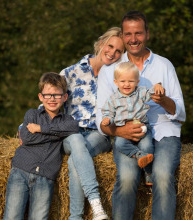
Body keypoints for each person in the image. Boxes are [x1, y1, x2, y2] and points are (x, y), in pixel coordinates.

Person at [96, 11, 186, 219]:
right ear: (123, 35)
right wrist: (120, 131)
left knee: (163, 177)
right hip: (128, 133)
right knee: (127, 179)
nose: (133, 39)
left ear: (147, 33)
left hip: (164, 131)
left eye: (138, 33)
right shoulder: (110, 71)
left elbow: (180, 112)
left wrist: (163, 100)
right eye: (128, 34)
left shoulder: (164, 65)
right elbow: (100, 117)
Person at [59, 27, 125, 220]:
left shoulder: (117, 78)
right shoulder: (71, 73)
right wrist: (26, 126)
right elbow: (49, 100)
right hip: (71, 132)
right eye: (110, 46)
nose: (112, 53)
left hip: (99, 134)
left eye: (119, 51)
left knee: (75, 158)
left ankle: (76, 217)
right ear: (101, 43)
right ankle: (96, 204)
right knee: (77, 144)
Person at [3, 72, 79, 220]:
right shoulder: (32, 114)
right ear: (40, 97)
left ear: (64, 97)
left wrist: (40, 129)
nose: (52, 99)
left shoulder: (67, 120)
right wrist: (58, 133)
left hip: (45, 177)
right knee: (12, 216)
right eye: (48, 95)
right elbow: (27, 137)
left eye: (57, 95)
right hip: (21, 171)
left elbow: (74, 128)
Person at [101, 62, 164, 185]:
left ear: (137, 81)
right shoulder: (113, 99)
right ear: (116, 82)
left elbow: (152, 92)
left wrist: (157, 85)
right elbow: (108, 112)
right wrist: (107, 119)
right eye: (123, 81)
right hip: (123, 131)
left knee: (147, 146)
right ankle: (138, 155)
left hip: (142, 128)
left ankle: (149, 173)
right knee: (119, 144)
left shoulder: (140, 93)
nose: (126, 84)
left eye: (130, 81)